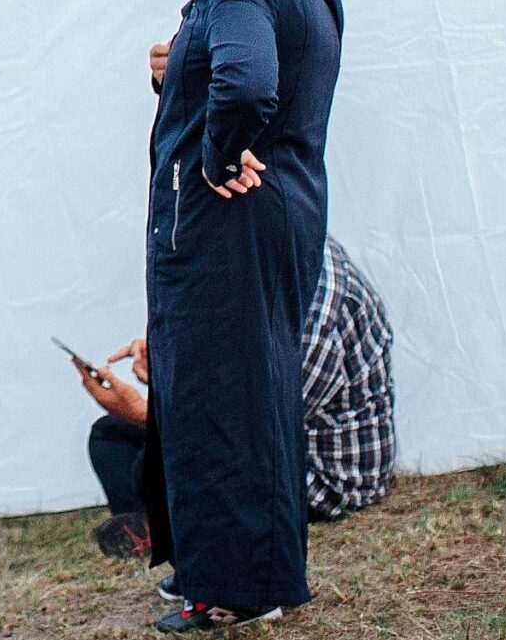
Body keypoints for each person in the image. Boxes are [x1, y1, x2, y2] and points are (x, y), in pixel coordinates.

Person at [133, 0, 345, 635]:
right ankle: (245, 567)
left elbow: (249, 79)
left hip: (228, 222)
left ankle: (231, 588)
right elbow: (259, 66)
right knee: (253, 390)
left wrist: (222, 152)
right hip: (285, 211)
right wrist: (176, 64)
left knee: (221, 397)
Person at [73, 234, 395, 563]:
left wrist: (145, 413)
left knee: (167, 453)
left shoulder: (314, 318)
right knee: (109, 435)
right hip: (270, 435)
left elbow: (247, 433)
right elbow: (233, 356)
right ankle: (149, 526)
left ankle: (167, 522)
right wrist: (166, 353)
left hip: (320, 477)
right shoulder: (285, 250)